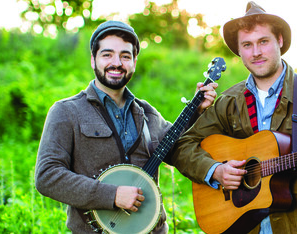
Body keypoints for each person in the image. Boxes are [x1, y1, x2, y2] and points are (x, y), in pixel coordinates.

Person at [171, 2, 297, 233]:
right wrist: (216, 171)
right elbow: (182, 146)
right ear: (239, 51)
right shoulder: (229, 101)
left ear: (279, 41)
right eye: (247, 45)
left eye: (263, 41)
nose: (256, 52)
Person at [34, 20, 218, 233]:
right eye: (107, 55)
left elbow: (178, 149)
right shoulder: (66, 112)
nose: (117, 63)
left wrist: (196, 111)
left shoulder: (147, 112)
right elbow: (47, 176)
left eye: (125, 56)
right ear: (93, 60)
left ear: (134, 62)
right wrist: (111, 195)